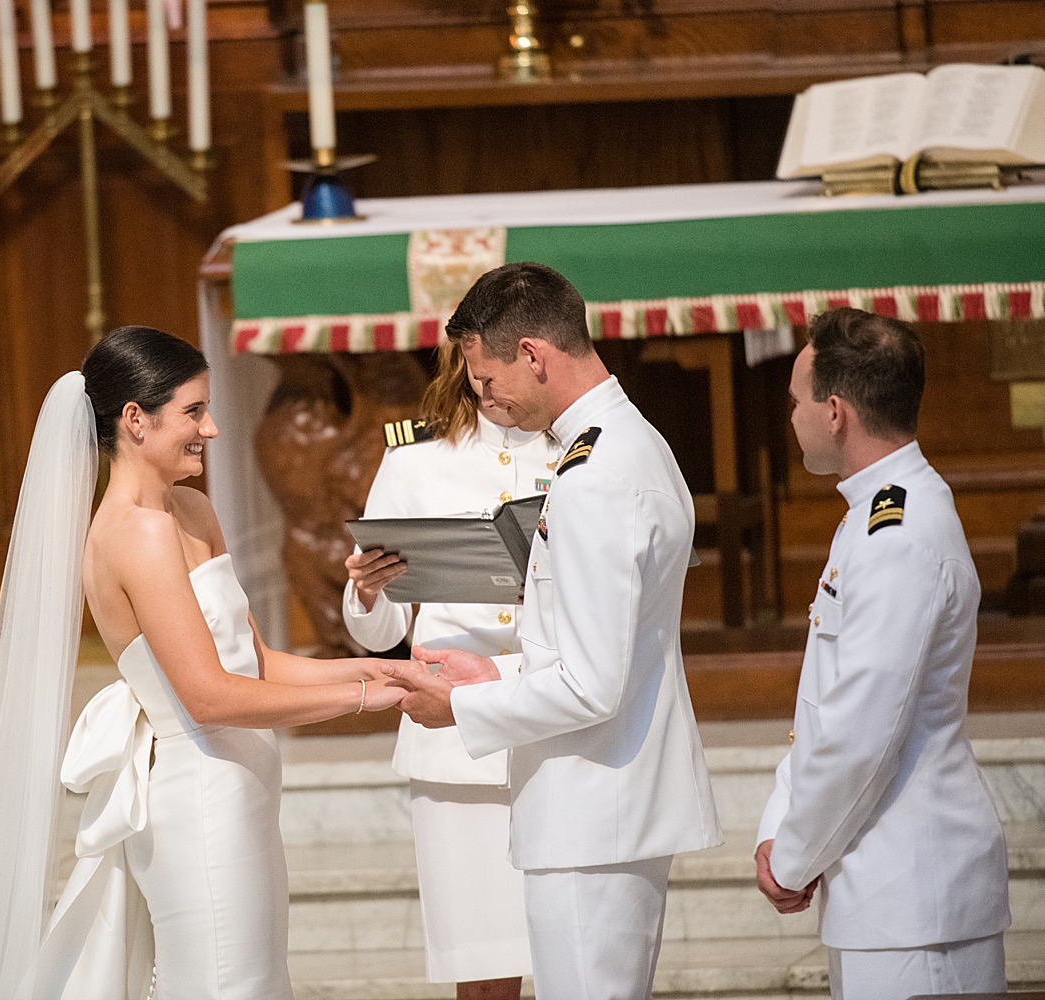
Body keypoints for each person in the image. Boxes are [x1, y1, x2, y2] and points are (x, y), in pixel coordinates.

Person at [0, 326, 406, 1000]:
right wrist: (358, 701)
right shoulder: (133, 534)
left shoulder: (191, 509)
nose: (210, 428)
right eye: (193, 412)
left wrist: (381, 673)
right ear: (134, 421)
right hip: (200, 796)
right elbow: (208, 696)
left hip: (244, 790)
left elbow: (255, 660)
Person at [383, 262, 723, 1000]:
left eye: (488, 377)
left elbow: (591, 682)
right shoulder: (619, 442)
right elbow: (593, 652)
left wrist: (461, 707)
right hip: (602, 805)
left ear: (534, 354)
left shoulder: (597, 471)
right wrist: (491, 675)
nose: (486, 398)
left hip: (590, 811)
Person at [754, 307, 1010, 1000]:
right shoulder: (873, 514)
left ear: (835, 411)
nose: (792, 418)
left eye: (796, 403)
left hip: (913, 897)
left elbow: (862, 729)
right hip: (885, 892)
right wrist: (780, 826)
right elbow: (824, 708)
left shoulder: (895, 531)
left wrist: (795, 853)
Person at [343, 340, 547, 1000]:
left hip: (553, 716)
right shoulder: (415, 457)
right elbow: (381, 630)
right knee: (483, 973)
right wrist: (367, 593)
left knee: (577, 958)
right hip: (454, 741)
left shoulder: (577, 447)